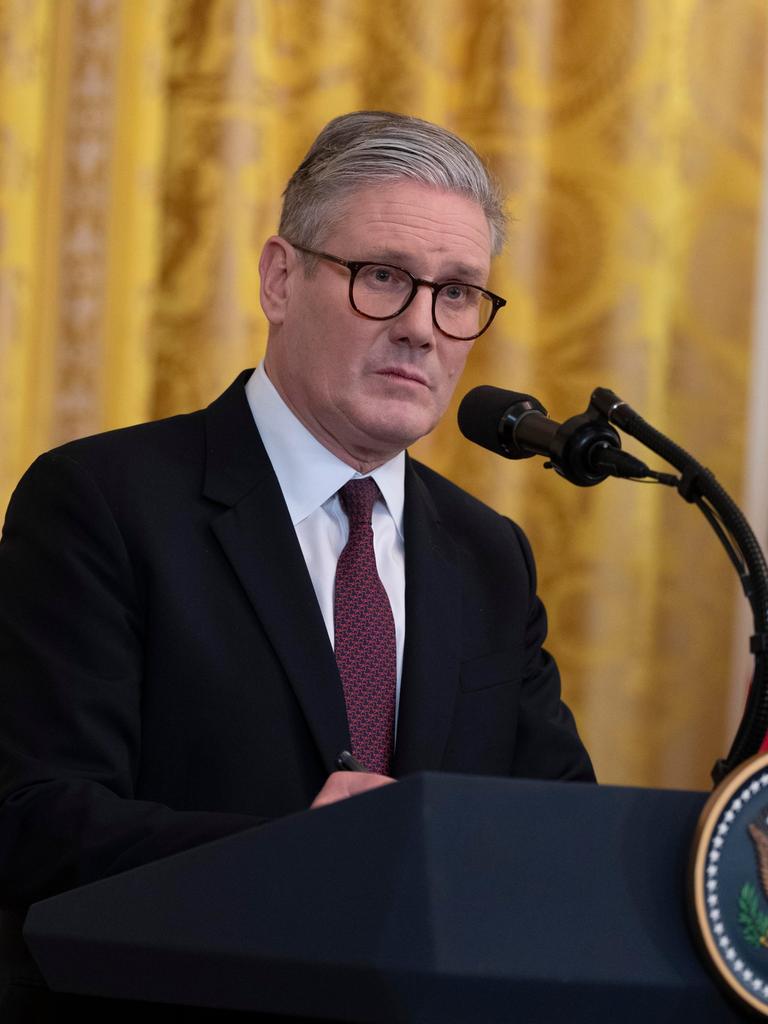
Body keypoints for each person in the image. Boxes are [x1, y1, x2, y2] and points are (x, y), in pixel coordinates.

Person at [0, 111, 593, 1018]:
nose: (422, 328)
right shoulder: (102, 503)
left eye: (458, 293)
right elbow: (34, 820)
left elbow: (559, 835)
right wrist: (294, 852)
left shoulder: (488, 556)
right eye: (383, 277)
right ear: (281, 278)